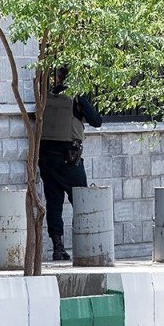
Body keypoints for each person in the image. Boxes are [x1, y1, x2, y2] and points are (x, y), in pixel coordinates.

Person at [39, 66, 102, 260]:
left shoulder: (46, 97)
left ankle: (58, 247)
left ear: (57, 77)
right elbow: (96, 121)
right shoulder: (77, 97)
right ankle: (87, 246)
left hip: (46, 158)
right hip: (69, 159)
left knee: (54, 203)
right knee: (82, 201)